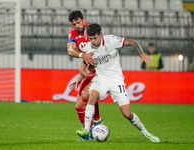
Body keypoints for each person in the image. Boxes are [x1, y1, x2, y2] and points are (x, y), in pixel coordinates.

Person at [76, 23, 160, 142]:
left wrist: (141, 54)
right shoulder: (88, 47)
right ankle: (86, 129)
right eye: (90, 39)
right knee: (92, 95)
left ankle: (146, 133)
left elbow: (132, 42)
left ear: (100, 35)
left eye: (95, 38)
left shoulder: (111, 40)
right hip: (101, 79)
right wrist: (82, 72)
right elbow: (88, 64)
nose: (93, 41)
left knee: (127, 114)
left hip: (116, 80)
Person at [67, 10, 103, 138]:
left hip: (100, 68)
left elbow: (96, 55)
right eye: (74, 24)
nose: (77, 26)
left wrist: (82, 72)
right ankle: (90, 134)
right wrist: (81, 74)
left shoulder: (91, 30)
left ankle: (98, 122)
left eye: (78, 22)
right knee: (79, 106)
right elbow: (71, 51)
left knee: (86, 94)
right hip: (89, 68)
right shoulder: (73, 33)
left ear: (83, 19)